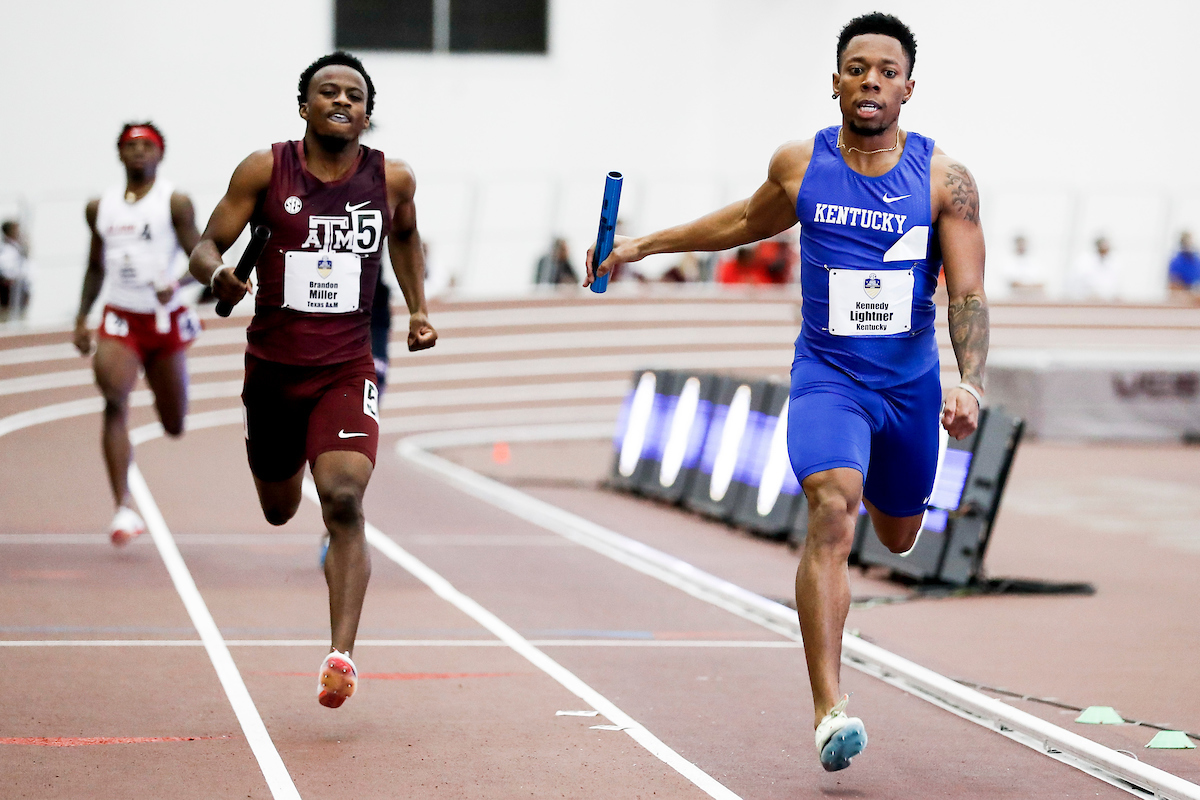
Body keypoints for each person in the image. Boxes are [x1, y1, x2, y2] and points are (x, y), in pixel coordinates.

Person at [588, 13, 988, 772]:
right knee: (833, 506)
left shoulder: (946, 181)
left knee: (898, 535)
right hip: (829, 379)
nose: (872, 81)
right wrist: (641, 244)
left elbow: (967, 294)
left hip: (909, 386)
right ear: (835, 80)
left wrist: (970, 381)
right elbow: (742, 221)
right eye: (857, 68)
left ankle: (874, 520)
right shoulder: (801, 164)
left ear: (909, 86)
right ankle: (829, 706)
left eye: (887, 71)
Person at [189, 51, 437, 710]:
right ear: (303, 105)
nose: (341, 102)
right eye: (327, 91)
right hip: (272, 370)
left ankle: (341, 656)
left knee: (345, 499)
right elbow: (205, 245)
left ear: (366, 113)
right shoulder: (266, 169)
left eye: (354, 95)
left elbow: (406, 239)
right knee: (279, 508)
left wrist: (417, 310)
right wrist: (218, 275)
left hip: (345, 368)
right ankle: (289, 468)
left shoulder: (392, 180)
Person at [74, 123, 201, 546]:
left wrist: (177, 285)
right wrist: (81, 317)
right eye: (131, 146)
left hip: (163, 319)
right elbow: (95, 266)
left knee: (174, 423)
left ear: (160, 154)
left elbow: (201, 257)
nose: (139, 153)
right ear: (119, 154)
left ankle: (164, 405)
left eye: (147, 146)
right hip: (121, 316)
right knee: (113, 399)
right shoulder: (100, 207)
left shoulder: (175, 202)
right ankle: (123, 507)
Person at [1067, 236, 1120, 301]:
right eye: (1103, 249)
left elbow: (1112, 284)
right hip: (1085, 300)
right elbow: (1079, 281)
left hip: (1105, 302)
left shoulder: (1113, 261)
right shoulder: (1084, 260)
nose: (1105, 251)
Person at [0, 220, 31, 318]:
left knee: (22, 317)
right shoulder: (5, 248)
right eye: (16, 229)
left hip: (21, 288)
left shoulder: (18, 246)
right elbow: (6, 270)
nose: (18, 232)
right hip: (8, 289)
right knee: (6, 318)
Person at [1167, 231, 1200, 297]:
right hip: (1183, 294)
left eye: (1190, 241)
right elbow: (1174, 283)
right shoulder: (1176, 261)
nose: (1188, 245)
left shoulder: (1197, 259)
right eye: (1186, 242)